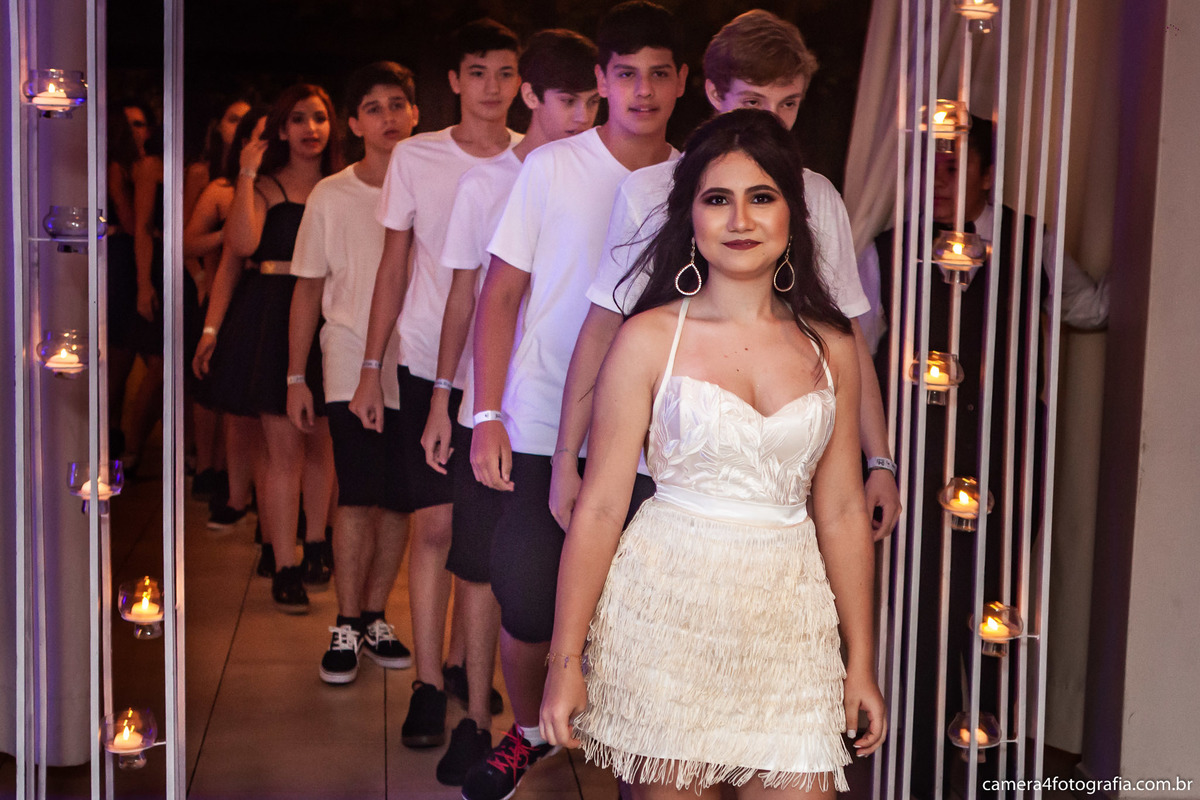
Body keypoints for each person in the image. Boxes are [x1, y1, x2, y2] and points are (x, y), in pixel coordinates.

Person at [539, 108, 886, 797]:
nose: (740, 220)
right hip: (665, 615)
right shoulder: (646, 337)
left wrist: (862, 661)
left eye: (762, 197)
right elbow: (603, 506)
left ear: (793, 214)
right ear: (690, 219)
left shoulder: (832, 347)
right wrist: (564, 660)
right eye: (717, 200)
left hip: (790, 620)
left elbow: (844, 511)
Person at [554, 9, 901, 548]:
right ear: (714, 93)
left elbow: (847, 335)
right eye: (754, 102)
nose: (775, 120)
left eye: (789, 103)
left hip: (781, 466)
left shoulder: (819, 196)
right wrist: (564, 458)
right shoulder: (649, 190)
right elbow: (604, 323)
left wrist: (878, 460)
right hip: (664, 458)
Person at [465, 4, 686, 798]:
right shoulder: (553, 167)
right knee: (526, 597)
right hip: (535, 422)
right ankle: (528, 734)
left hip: (649, 435)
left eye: (660, 72)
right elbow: (500, 296)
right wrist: (487, 413)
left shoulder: (695, 179)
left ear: (683, 82)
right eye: (626, 73)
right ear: (600, 82)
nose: (643, 89)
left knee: (635, 610)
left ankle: (636, 752)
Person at [859, 118, 1106, 799]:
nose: (937, 181)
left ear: (987, 173)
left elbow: (1091, 309)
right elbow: (859, 352)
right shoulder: (890, 250)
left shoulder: (1034, 242)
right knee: (920, 601)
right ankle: (916, 758)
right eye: (928, 166)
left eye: (952, 165)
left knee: (997, 601)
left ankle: (987, 755)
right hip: (916, 455)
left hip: (1009, 456)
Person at [419, 28, 601, 785]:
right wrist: (447, 400)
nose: (583, 115)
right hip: (499, 407)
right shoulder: (488, 182)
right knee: (489, 568)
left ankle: (572, 717)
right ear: (533, 97)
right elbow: (470, 296)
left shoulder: (614, 172)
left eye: (594, 99)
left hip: (583, 405)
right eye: (568, 100)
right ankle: (481, 721)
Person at [349, 18, 522, 750]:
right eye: (476, 71)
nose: (491, 87)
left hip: (508, 371)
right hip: (428, 362)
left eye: (504, 73)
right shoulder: (417, 156)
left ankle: (460, 663)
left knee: (480, 534)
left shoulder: (536, 157)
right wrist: (369, 365)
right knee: (434, 525)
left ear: (523, 83)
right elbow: (393, 265)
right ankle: (426, 681)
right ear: (454, 81)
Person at [286, 62, 418, 687]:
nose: (387, 117)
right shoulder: (332, 195)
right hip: (346, 359)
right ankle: (344, 620)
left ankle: (374, 615)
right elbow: (307, 292)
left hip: (418, 361)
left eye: (397, 104)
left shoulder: (435, 184)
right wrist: (294, 377)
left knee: (399, 499)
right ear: (354, 121)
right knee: (359, 492)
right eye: (373, 106)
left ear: (416, 113)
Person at [202, 84, 342, 612]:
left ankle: (316, 544)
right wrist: (245, 174)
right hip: (270, 313)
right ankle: (283, 562)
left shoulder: (342, 185)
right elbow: (239, 249)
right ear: (281, 129)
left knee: (323, 443)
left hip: (330, 314)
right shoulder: (263, 187)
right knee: (282, 447)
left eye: (320, 117)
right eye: (299, 119)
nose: (311, 128)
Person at [190, 106, 270, 532]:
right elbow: (222, 258)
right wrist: (210, 329)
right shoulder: (228, 188)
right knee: (241, 409)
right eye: (261, 135)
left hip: (306, 299)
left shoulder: (321, 186)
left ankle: (282, 512)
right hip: (250, 297)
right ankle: (238, 495)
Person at [183, 94, 253, 501]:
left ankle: (231, 476)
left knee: (238, 395)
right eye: (233, 120)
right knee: (209, 386)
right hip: (212, 288)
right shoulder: (211, 179)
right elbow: (185, 238)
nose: (239, 129)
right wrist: (198, 276)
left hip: (249, 294)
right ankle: (207, 465)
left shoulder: (264, 182)